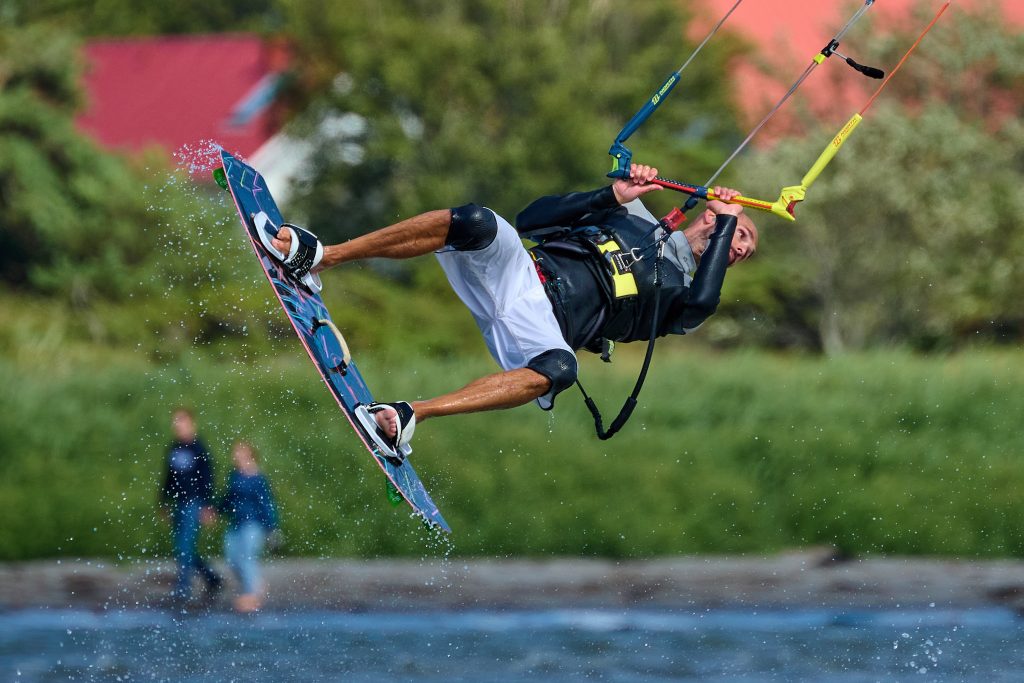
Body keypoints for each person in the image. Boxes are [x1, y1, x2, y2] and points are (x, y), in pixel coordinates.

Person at [262, 164, 757, 457]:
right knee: (477, 220)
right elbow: (531, 218)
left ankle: (411, 415)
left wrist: (729, 222)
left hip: (542, 328)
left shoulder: (681, 295)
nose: (740, 247)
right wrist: (610, 195)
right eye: (742, 235)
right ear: (706, 215)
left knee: (562, 369)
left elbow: (702, 303)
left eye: (745, 250)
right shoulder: (633, 215)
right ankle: (321, 258)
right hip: (520, 273)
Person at [159, 407, 222, 601]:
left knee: (185, 546)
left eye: (181, 421)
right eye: (176, 422)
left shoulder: (199, 448)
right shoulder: (174, 448)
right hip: (179, 502)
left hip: (194, 503)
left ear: (191, 423)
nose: (178, 425)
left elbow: (207, 478)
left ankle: (183, 588)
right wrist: (163, 501)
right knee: (183, 547)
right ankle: (211, 578)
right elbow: (168, 477)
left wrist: (207, 505)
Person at [216, 441, 279, 613]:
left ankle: (251, 595)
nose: (236, 456)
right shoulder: (235, 475)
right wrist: (217, 511)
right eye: (235, 453)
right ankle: (255, 584)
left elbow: (266, 504)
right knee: (232, 559)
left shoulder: (258, 478)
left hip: (253, 524)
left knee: (247, 558)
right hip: (236, 522)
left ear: (250, 455)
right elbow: (229, 498)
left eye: (240, 453)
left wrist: (272, 527)